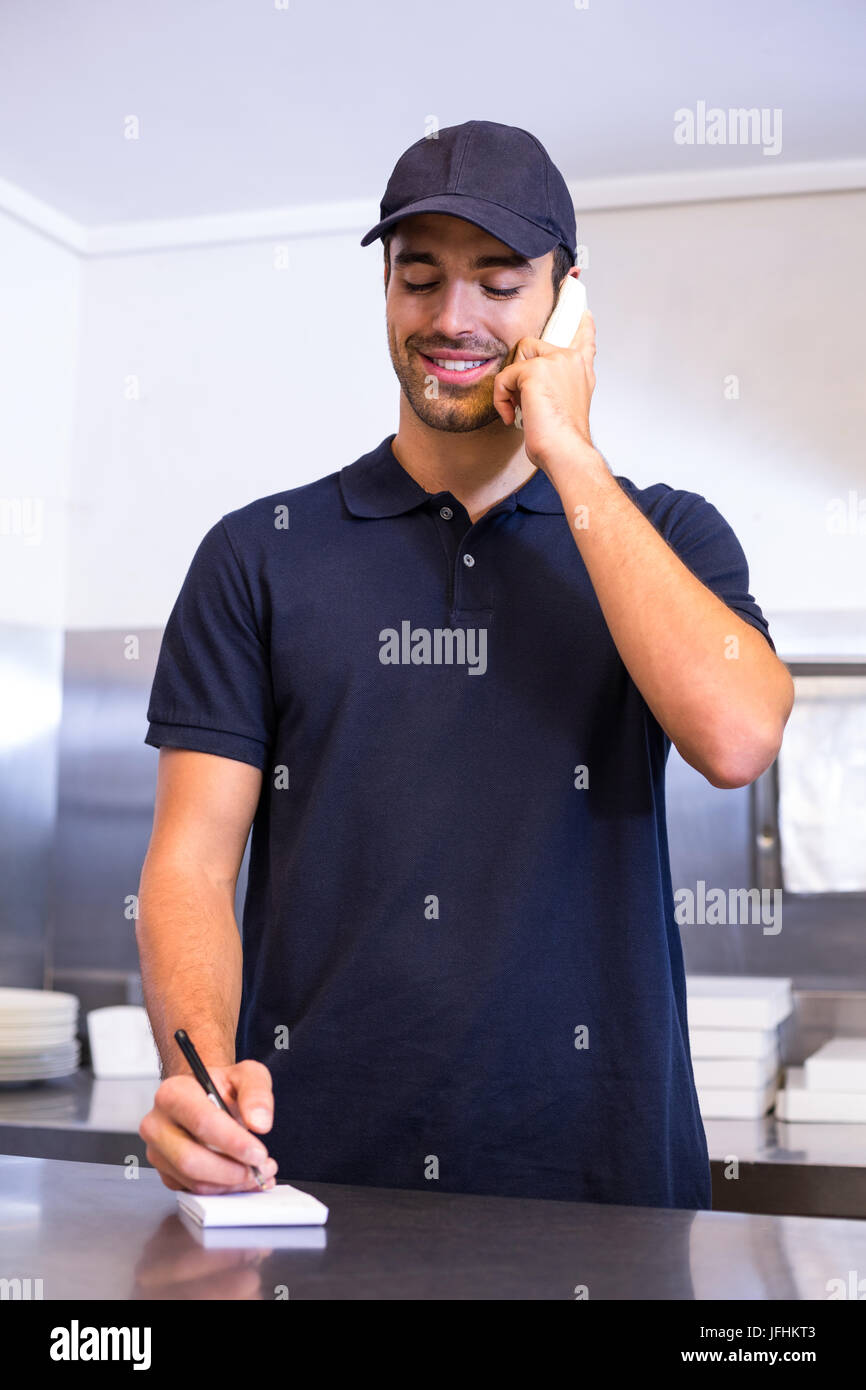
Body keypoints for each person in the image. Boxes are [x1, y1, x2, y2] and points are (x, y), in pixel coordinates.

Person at [137, 120, 793, 1207]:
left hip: (604, 1191)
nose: (451, 319)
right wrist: (194, 1072)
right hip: (308, 1191)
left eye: (497, 282)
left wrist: (568, 454)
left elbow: (736, 736)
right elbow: (192, 864)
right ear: (385, 290)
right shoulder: (257, 554)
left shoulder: (667, 534)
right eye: (419, 277)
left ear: (565, 302)